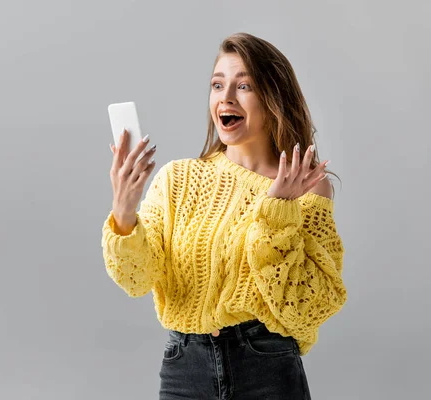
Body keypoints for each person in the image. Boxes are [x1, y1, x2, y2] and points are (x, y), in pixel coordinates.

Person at [101, 32, 347, 400]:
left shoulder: (307, 187)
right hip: (185, 370)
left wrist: (278, 210)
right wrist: (124, 212)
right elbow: (137, 280)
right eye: (218, 85)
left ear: (273, 97)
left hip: (265, 366)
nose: (226, 97)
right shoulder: (177, 179)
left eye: (243, 85)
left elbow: (308, 307)